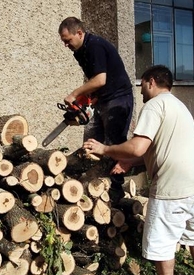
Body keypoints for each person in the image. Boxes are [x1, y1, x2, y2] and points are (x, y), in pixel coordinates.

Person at [83, 65, 194, 275]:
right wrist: (128, 162)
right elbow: (159, 148)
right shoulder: (178, 105)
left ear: (151, 81)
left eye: (141, 84)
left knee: (161, 246)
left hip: (173, 189)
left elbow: (137, 147)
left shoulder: (154, 105)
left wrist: (104, 149)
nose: (140, 90)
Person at [58, 16, 134, 201]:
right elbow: (96, 81)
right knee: (92, 142)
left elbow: (101, 79)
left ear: (79, 33)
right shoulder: (79, 51)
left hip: (118, 99)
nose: (66, 45)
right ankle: (90, 187)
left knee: (113, 144)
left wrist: (75, 94)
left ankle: (115, 192)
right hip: (104, 98)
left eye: (68, 40)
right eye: (63, 42)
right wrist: (90, 99)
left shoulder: (95, 46)